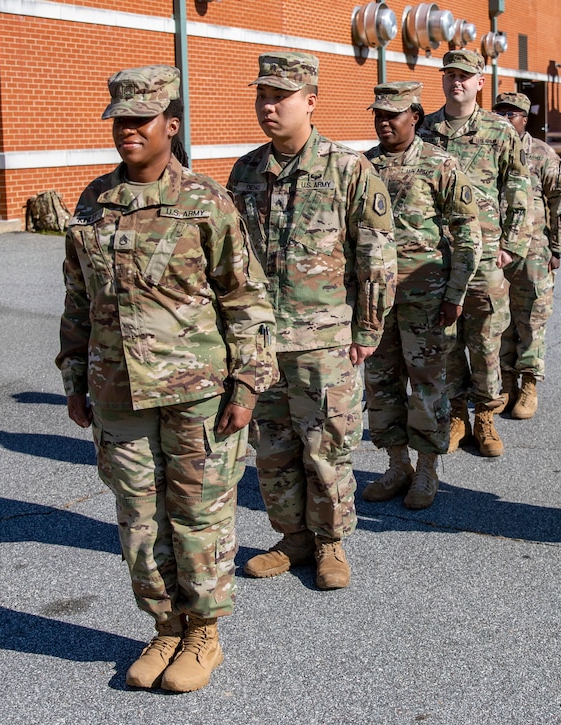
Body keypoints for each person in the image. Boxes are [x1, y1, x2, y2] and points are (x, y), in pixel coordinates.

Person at [57, 65, 277, 692]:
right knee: (138, 517)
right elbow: (78, 298)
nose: (127, 131)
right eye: (119, 121)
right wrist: (75, 378)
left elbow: (246, 299)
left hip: (197, 393)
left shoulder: (207, 201)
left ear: (170, 127)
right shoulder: (94, 200)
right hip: (117, 392)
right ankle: (166, 625)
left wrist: (249, 383)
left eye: (139, 120)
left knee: (198, 514)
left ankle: (204, 630)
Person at [227, 52, 397, 587]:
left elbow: (376, 255)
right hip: (261, 343)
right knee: (273, 449)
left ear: (311, 101)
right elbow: (233, 260)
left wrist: (368, 330)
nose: (268, 106)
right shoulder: (246, 170)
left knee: (327, 447)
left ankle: (330, 543)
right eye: (262, 96)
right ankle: (292, 538)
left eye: (280, 97)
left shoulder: (349, 169)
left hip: (326, 341)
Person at [362, 81, 482, 508]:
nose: (384, 122)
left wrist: (456, 293)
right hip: (376, 301)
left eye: (392, 114)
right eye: (378, 114)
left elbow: (469, 233)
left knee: (429, 384)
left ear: (415, 116)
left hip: (426, 299)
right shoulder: (362, 166)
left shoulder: (439, 164)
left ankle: (428, 470)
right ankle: (397, 465)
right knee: (379, 383)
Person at [418, 49, 530, 457]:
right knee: (445, 342)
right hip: (437, 258)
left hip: (484, 258)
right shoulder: (425, 130)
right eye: (449, 75)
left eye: (464, 76)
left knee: (485, 342)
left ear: (480, 82)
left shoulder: (500, 132)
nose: (456, 82)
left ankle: (485, 416)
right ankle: (456, 415)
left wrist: (510, 247)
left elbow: (519, 192)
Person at [491, 92, 561, 419]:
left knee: (532, 319)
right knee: (501, 319)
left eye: (514, 114)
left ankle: (528, 385)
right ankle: (506, 383)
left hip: (534, 252)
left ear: (526, 119)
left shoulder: (542, 154)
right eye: (501, 113)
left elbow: (560, 202)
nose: (506, 119)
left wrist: (557, 248)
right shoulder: (490, 149)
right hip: (498, 251)